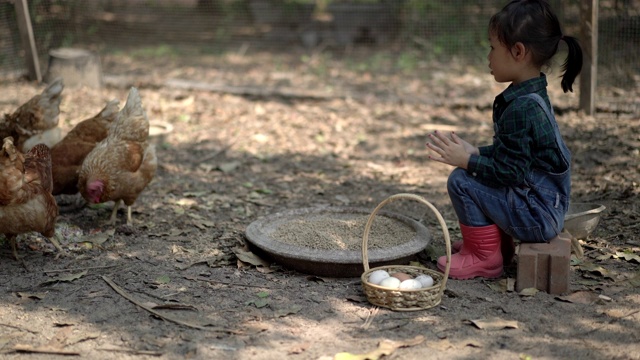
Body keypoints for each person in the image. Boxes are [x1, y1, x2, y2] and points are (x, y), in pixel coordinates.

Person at [426, 0, 583, 280]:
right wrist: (476, 152)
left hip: (537, 215)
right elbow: (515, 154)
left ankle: (484, 257)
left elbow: (511, 172)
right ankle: (496, 247)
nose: (489, 57)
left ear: (518, 51)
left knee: (461, 181)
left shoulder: (522, 108)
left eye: (492, 48)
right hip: (543, 205)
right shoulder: (531, 94)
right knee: (471, 174)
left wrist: (467, 161)